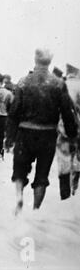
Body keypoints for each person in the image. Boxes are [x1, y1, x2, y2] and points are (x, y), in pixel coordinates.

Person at [5, 49, 78, 214]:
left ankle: (19, 198)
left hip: (25, 132)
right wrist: (72, 135)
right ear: (50, 61)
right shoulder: (58, 83)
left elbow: (14, 112)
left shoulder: (23, 82)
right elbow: (67, 112)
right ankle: (36, 211)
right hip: (48, 134)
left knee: (19, 170)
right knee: (42, 176)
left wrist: (9, 137)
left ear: (35, 60)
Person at [56, 64, 80, 200]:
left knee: (64, 161)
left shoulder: (61, 86)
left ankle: (64, 195)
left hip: (64, 128)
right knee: (78, 160)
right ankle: (75, 188)